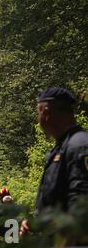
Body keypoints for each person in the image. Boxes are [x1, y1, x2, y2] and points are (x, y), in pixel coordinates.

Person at [21, 87, 88, 235]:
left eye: (38, 112)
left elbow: (81, 204)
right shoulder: (61, 149)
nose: (38, 118)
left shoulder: (79, 146)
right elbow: (56, 201)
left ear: (46, 112)